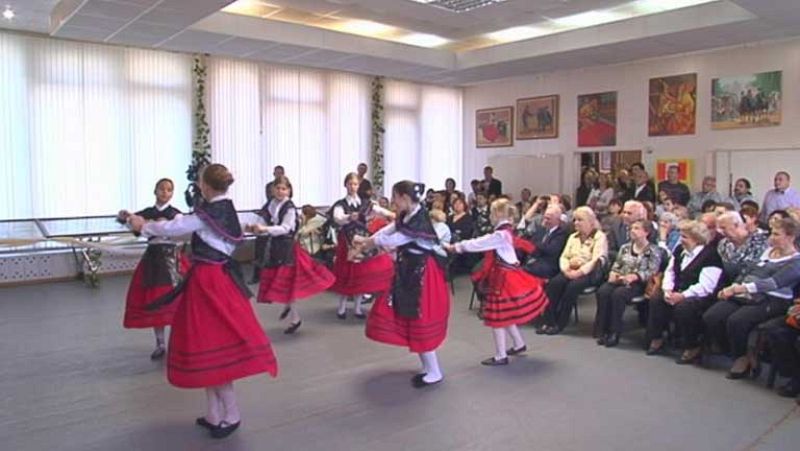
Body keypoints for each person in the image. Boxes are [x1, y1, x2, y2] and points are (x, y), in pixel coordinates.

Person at [128, 164, 277, 439]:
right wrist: (147, 226)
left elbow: (177, 226)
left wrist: (143, 225)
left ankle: (231, 414)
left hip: (210, 285)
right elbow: (184, 228)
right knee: (206, 345)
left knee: (211, 344)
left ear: (207, 186)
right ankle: (214, 413)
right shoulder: (225, 209)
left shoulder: (208, 212)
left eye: (200, 183)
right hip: (214, 282)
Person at [354, 181, 450, 388]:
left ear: (404, 198)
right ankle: (428, 368)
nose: (394, 202)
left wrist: (368, 242)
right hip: (411, 271)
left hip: (423, 275)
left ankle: (434, 371)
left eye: (395, 198)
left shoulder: (419, 219)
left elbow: (396, 239)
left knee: (419, 318)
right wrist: (369, 239)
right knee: (411, 316)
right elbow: (390, 229)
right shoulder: (409, 214)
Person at [447, 199, 549, 365]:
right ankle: (518, 343)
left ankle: (501, 355)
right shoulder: (506, 230)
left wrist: (456, 247)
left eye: (493, 212)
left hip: (504, 278)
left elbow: (479, 243)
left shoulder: (500, 234)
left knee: (498, 317)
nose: (490, 215)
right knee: (505, 315)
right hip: (505, 274)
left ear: (498, 214)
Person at [704, 218, 800, 379]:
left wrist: (738, 288)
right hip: (746, 293)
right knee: (713, 316)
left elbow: (773, 283)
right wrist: (732, 286)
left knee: (737, 320)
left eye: (777, 234)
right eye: (772, 233)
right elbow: (747, 271)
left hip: (773, 299)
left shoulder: (796, 262)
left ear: (790, 237)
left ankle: (742, 357)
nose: (772, 237)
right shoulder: (767, 251)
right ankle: (735, 351)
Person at [247, 175, 335, 334]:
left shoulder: (289, 208)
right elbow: (262, 219)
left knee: (288, 282)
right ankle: (291, 310)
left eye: (284, 188)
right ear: (273, 189)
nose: (280, 191)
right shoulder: (271, 204)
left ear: (289, 190)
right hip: (274, 247)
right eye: (278, 188)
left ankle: (295, 318)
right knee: (284, 282)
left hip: (287, 249)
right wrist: (253, 226)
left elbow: (286, 228)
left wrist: (265, 229)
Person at [117, 178, 188, 360]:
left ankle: (178, 343)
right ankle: (160, 343)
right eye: (162, 189)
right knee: (156, 301)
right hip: (153, 259)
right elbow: (134, 227)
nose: (165, 193)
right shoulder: (147, 213)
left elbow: (180, 233)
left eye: (169, 190)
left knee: (177, 302)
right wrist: (126, 217)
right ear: (155, 191)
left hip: (172, 259)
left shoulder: (176, 214)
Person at [645, 220, 722, 364]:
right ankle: (657, 337)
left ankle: (692, 345)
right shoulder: (680, 250)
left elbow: (706, 286)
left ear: (696, 239)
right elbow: (670, 271)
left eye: (685, 237)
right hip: (678, 290)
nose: (681, 240)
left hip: (700, 295)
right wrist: (667, 289)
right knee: (657, 298)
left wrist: (682, 295)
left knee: (684, 307)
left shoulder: (711, 256)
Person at [330, 173, 395, 320]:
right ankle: (342, 307)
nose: (352, 187)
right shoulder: (341, 204)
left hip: (362, 239)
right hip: (347, 241)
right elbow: (337, 218)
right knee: (346, 273)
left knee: (361, 273)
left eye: (355, 184)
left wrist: (391, 214)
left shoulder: (366, 202)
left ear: (358, 186)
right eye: (350, 184)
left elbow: (379, 210)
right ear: (345, 185)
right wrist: (348, 217)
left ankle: (358, 308)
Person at [539, 207, 608, 335]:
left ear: (590, 222)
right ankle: (548, 321)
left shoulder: (599, 237)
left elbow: (596, 260)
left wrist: (579, 272)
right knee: (554, 284)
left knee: (572, 288)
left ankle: (560, 323)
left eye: (580, 220)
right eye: (575, 220)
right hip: (570, 269)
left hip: (589, 272)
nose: (576, 223)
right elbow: (564, 256)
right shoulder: (573, 237)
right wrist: (565, 270)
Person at [594, 220, 662, 347]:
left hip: (639, 283)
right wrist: (613, 272)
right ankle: (602, 330)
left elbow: (652, 271)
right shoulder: (625, 247)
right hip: (620, 278)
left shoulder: (653, 250)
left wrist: (635, 276)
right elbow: (617, 264)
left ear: (646, 232)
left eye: (636, 228)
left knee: (618, 295)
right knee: (603, 291)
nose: (632, 231)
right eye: (631, 228)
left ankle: (615, 332)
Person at [523, 204, 569, 279]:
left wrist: (536, 244)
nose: (545, 220)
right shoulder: (541, 230)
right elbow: (532, 243)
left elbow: (550, 250)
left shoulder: (561, 233)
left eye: (548, 218)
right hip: (534, 259)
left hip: (548, 264)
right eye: (545, 218)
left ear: (557, 219)